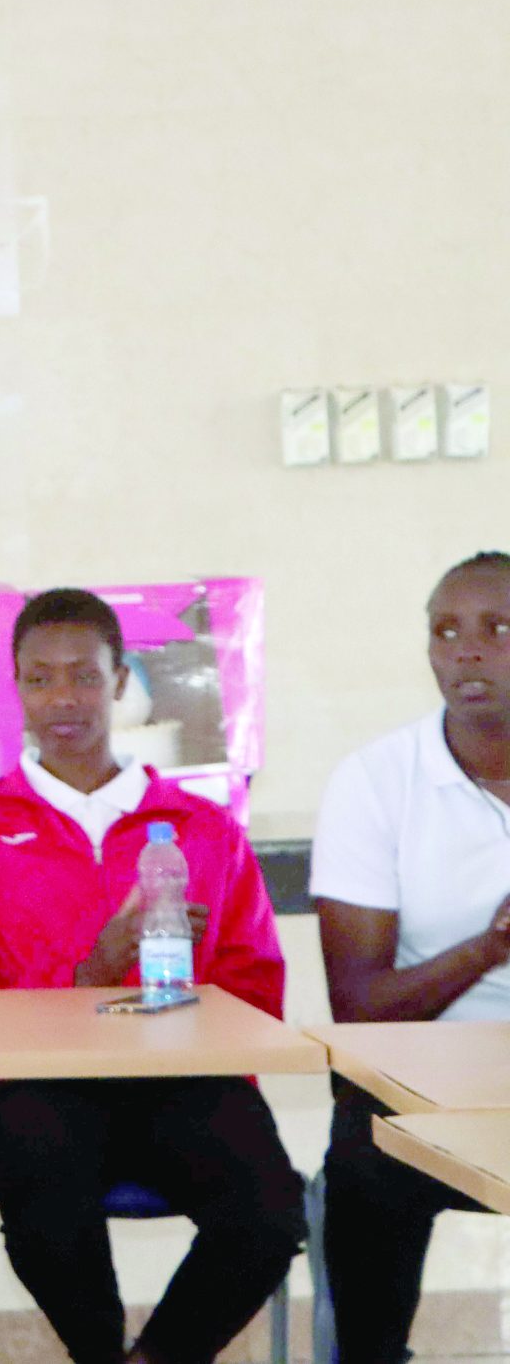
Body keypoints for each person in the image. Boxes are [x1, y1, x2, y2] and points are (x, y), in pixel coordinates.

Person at [0, 586, 303, 1364]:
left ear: (122, 681)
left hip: (181, 1079)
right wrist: (92, 969)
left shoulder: (202, 826)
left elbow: (255, 989)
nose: (63, 698)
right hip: (30, 1089)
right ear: (15, 687)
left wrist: (181, 994)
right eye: (40, 677)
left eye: (84, 675)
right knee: (47, 1211)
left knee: (269, 1211)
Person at [312, 551, 510, 1364]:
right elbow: (359, 1009)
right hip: (423, 1074)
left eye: (498, 630)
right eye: (445, 631)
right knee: (365, 1166)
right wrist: (490, 947)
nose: (466, 651)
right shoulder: (373, 781)